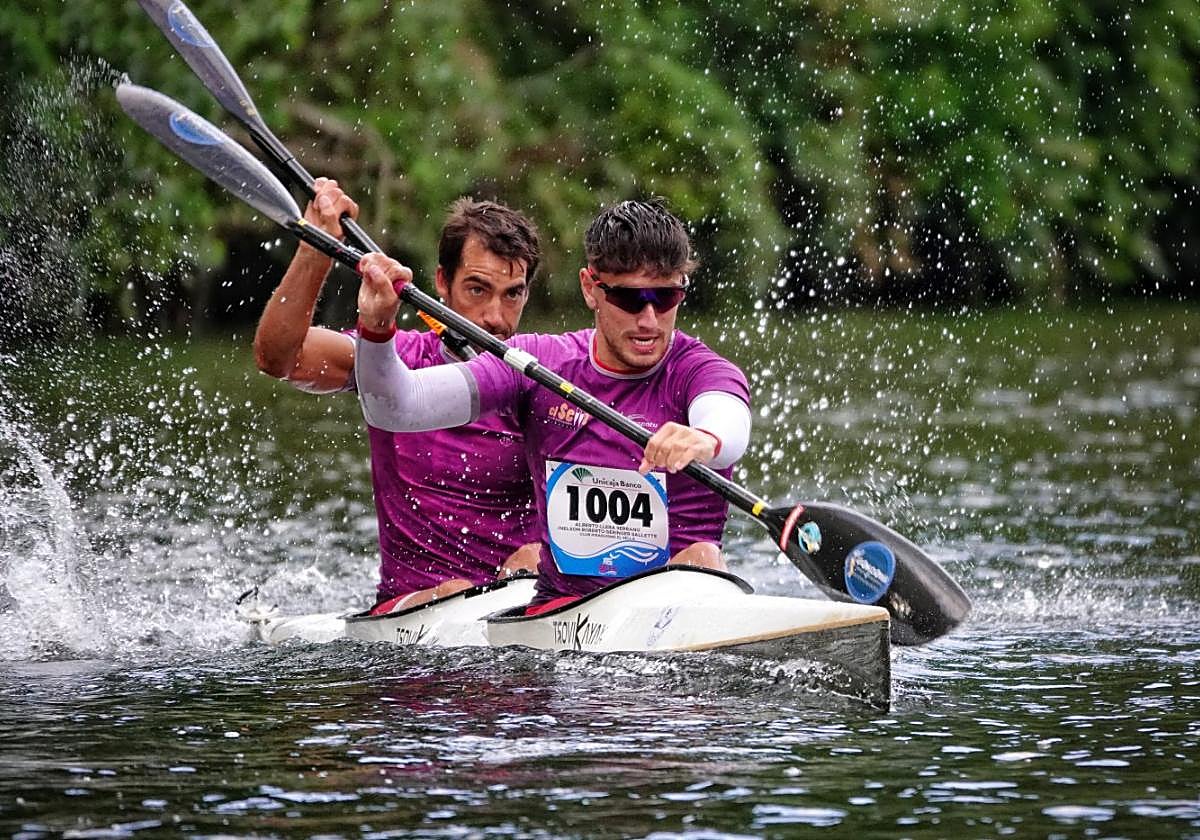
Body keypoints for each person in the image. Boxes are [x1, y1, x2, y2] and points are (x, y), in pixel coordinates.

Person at [353, 198, 752, 612]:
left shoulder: (700, 371)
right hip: (561, 615)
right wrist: (377, 327)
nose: (649, 320)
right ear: (590, 288)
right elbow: (395, 407)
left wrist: (706, 439)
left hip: (679, 607)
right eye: (630, 300)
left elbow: (729, 421)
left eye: (667, 298)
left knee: (702, 557)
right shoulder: (537, 364)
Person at [253, 179, 543, 613]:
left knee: (536, 559)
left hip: (521, 602)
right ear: (442, 281)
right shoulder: (390, 361)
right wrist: (316, 248)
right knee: (454, 590)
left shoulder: (543, 374)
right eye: (477, 289)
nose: (494, 318)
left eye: (512, 294)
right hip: (414, 610)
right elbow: (279, 358)